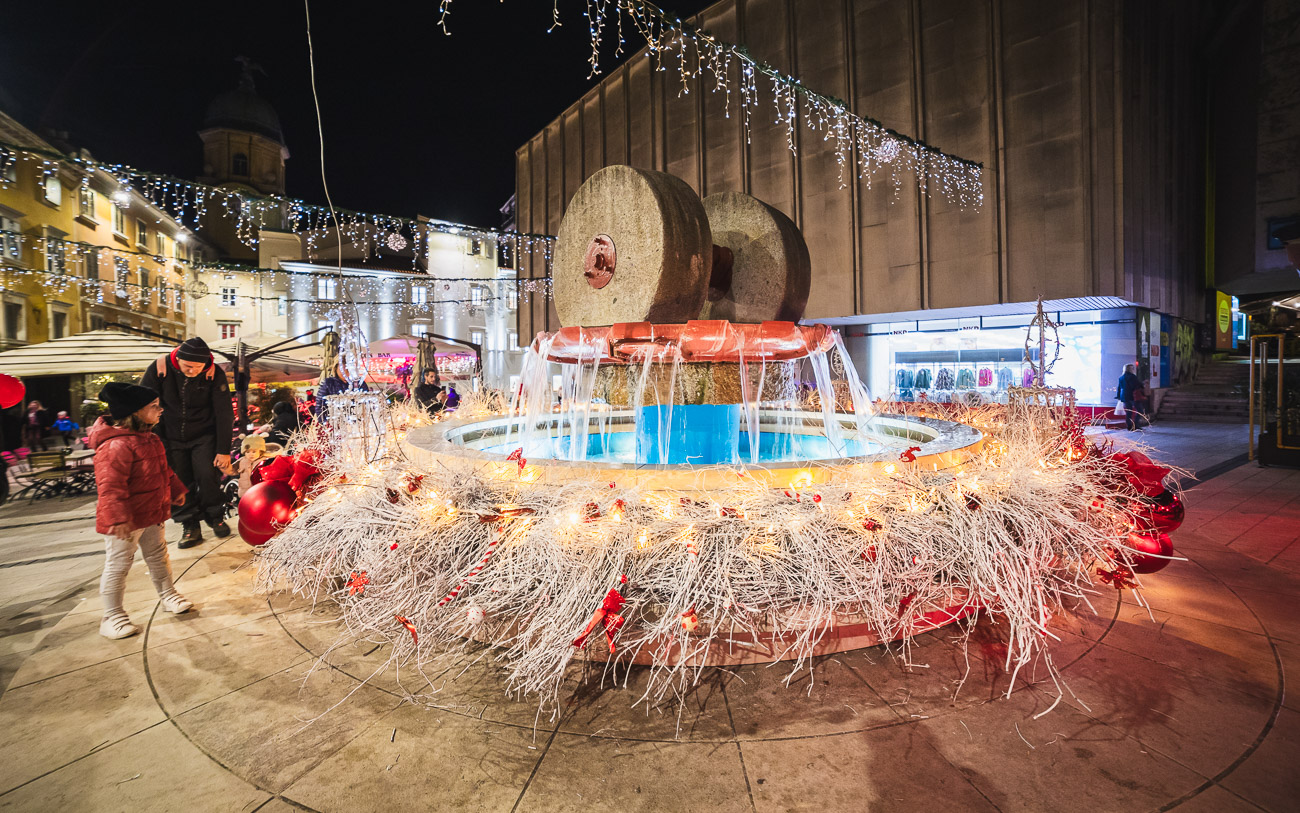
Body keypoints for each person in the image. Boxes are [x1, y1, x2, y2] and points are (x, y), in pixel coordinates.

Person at [89, 382, 193, 639]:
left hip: (150, 513)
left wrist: (175, 488)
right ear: (135, 412)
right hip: (125, 520)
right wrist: (118, 518)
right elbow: (109, 486)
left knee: (158, 556)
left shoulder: (150, 439)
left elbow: (163, 470)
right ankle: (112, 616)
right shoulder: (115, 446)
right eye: (153, 407)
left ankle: (168, 595)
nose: (161, 410)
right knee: (118, 564)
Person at [140, 337, 233, 548]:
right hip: (169, 436)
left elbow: (224, 413)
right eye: (188, 367)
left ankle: (215, 515)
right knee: (178, 482)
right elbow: (142, 404)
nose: (192, 371)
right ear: (177, 359)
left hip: (204, 436)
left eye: (198, 367)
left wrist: (223, 450)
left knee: (207, 474)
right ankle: (189, 524)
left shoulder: (213, 373)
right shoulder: (159, 369)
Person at [1116, 363, 1142, 432]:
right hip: (1133, 396)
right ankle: (1136, 425)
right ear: (1130, 369)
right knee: (1139, 411)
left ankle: (1129, 426)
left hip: (1124, 396)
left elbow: (1119, 387)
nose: (1133, 369)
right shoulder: (1133, 377)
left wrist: (1118, 396)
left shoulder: (1121, 377)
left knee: (1128, 412)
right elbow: (1136, 386)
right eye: (1132, 368)